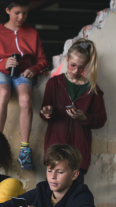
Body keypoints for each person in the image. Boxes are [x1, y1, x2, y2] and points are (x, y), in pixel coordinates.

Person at [0, 0, 49, 171]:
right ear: (8, 10)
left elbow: (42, 61)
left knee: (25, 100)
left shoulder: (32, 33)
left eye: (25, 13)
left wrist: (32, 69)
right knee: (3, 92)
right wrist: (3, 63)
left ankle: (25, 150)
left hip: (23, 73)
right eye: (17, 12)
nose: (21, 17)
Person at [40, 38, 107, 185]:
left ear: (87, 65)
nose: (76, 70)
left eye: (81, 67)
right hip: (55, 150)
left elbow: (101, 119)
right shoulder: (54, 83)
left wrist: (85, 117)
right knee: (52, 196)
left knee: (76, 197)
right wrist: (47, 112)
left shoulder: (93, 90)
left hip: (79, 153)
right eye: (73, 65)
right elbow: (44, 112)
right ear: (67, 59)